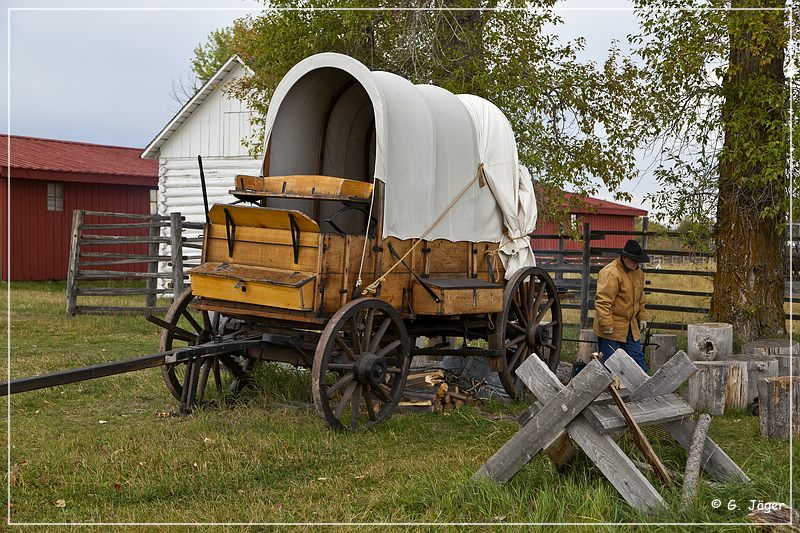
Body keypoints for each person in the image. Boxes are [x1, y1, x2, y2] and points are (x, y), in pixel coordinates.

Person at [593, 239, 649, 371]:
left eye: (637, 260)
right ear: (624, 257)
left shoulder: (638, 273)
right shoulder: (611, 273)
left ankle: (643, 389)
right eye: (633, 260)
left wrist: (642, 318)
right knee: (608, 363)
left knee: (637, 361)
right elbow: (603, 301)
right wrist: (606, 324)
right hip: (612, 324)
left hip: (630, 325)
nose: (636, 263)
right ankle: (605, 390)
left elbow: (640, 298)